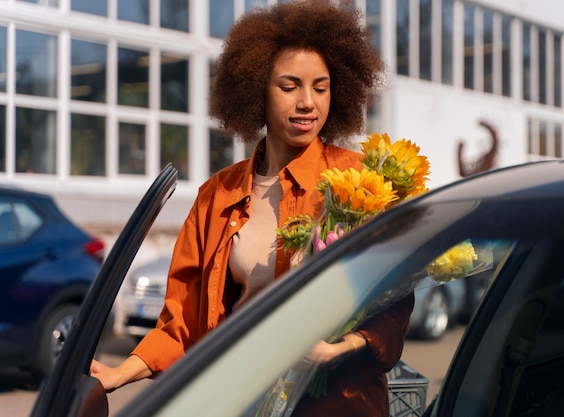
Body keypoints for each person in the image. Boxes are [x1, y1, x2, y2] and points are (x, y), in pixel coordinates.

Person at [91, 1, 413, 415]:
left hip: (336, 402)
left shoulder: (359, 182)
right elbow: (181, 322)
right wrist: (120, 374)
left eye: (321, 86)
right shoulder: (216, 195)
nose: (307, 103)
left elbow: (395, 295)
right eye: (289, 85)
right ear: (256, 87)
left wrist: (340, 348)